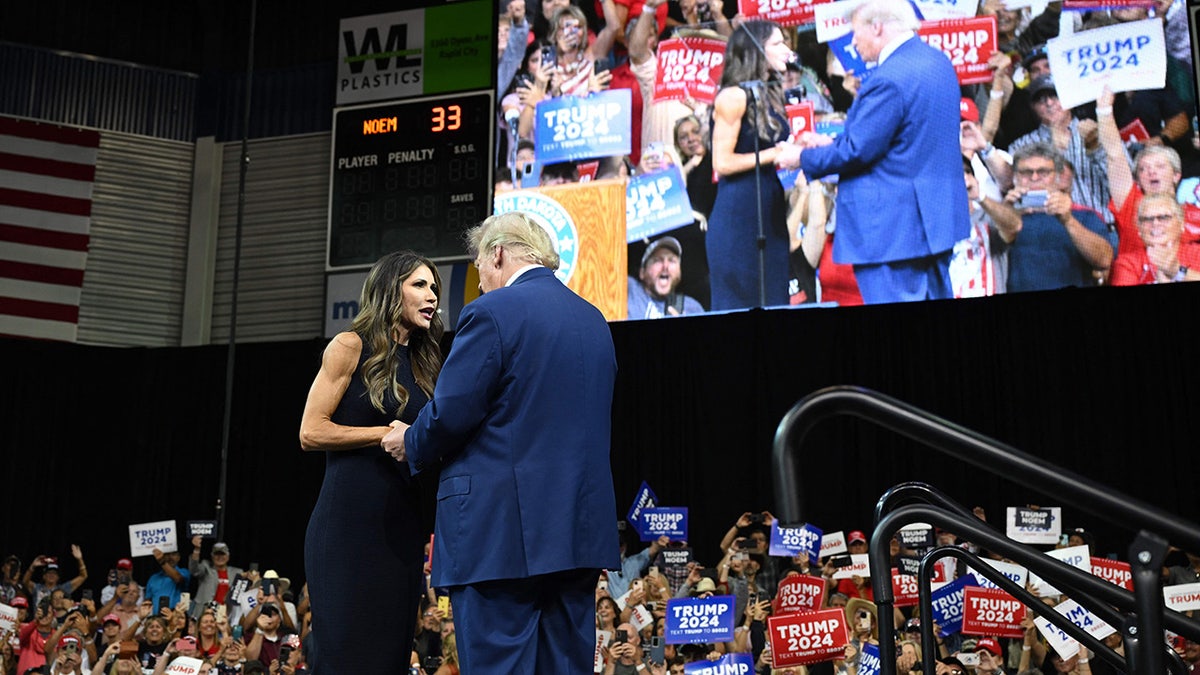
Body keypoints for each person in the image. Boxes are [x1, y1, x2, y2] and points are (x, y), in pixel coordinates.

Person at [384, 211, 620, 674]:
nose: (480, 282)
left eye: (478, 269)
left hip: (498, 537)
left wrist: (410, 439)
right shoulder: (594, 321)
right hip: (576, 534)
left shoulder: (491, 312)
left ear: (497, 253)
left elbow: (453, 412)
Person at [298, 250, 445, 673]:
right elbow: (311, 431)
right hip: (347, 530)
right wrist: (384, 433)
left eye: (433, 286)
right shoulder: (350, 346)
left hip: (402, 532)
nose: (431, 295)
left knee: (390, 658)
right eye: (419, 284)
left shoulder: (425, 364)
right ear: (389, 289)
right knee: (346, 655)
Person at [797, 0, 968, 304]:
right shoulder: (938, 62)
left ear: (876, 27)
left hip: (893, 232)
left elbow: (857, 152)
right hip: (934, 223)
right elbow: (903, 140)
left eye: (854, 32)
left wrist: (800, 157)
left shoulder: (887, 78)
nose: (852, 42)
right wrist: (834, 144)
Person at [707, 20, 801, 310]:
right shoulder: (733, 96)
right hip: (738, 215)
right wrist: (776, 153)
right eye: (778, 44)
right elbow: (722, 162)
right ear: (756, 50)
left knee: (775, 302)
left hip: (769, 210)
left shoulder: (771, 93)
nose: (787, 51)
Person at [1000, 142, 1115, 292]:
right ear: (1015, 177)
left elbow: (1104, 260)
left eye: (1043, 172)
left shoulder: (1084, 215)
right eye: (1026, 172)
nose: (1034, 178)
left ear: (1059, 177)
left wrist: (1068, 220)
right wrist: (1005, 214)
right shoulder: (1004, 216)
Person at [1109, 194, 1200, 285]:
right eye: (1147, 219)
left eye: (1164, 217)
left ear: (1181, 224)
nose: (1155, 223)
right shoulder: (1127, 264)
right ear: (1139, 229)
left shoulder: (1197, 253)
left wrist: (1176, 271)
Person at [627, 236, 705, 318]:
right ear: (642, 272)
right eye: (657, 260)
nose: (665, 266)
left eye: (672, 260)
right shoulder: (629, 290)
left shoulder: (692, 308)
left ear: (679, 272)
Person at [187, 539, 242, 620]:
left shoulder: (237, 573)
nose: (220, 557)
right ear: (212, 556)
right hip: (205, 612)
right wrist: (196, 550)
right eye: (216, 554)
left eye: (223, 554)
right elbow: (194, 570)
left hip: (227, 614)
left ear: (228, 556)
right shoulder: (206, 567)